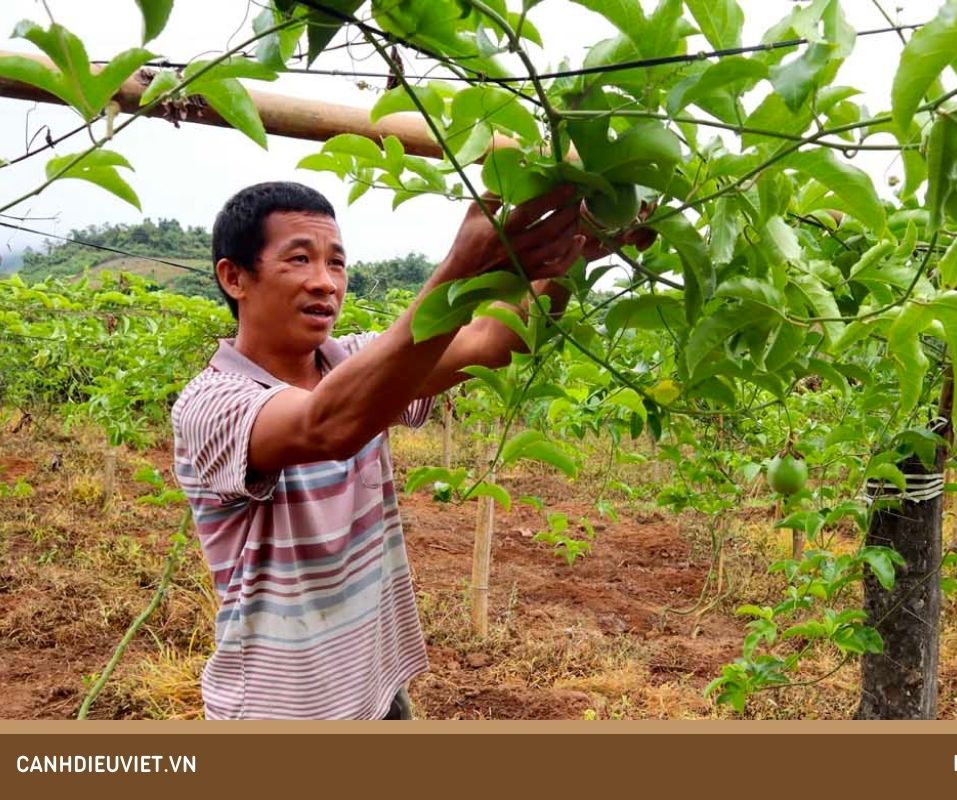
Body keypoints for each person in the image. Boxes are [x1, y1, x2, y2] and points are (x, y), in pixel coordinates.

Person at [171, 180, 650, 719]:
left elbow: (493, 342)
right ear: (234, 277)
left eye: (337, 263)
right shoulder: (210, 404)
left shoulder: (352, 362)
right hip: (280, 708)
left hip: (375, 688)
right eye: (300, 259)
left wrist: (574, 252)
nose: (325, 283)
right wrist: (460, 268)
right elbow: (329, 425)